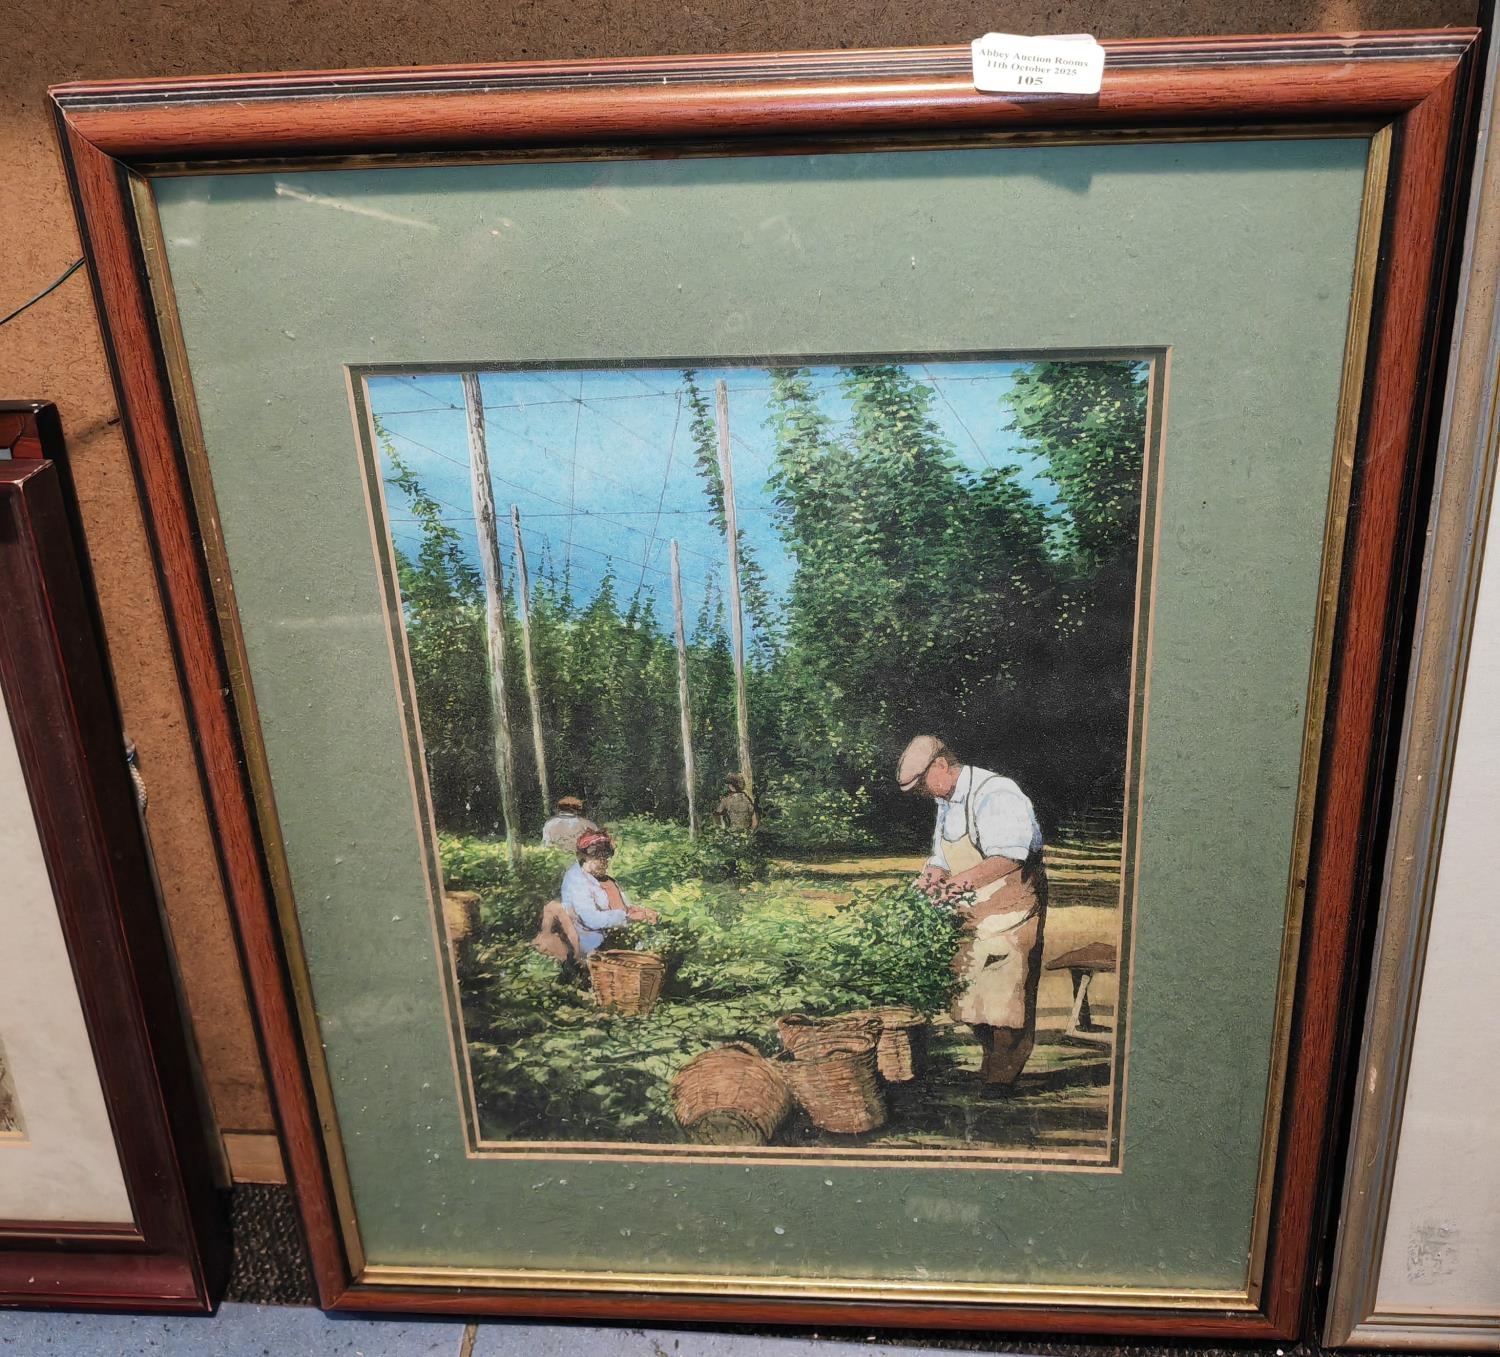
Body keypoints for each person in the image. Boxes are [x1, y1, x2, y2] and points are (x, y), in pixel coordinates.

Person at [897, 734, 1047, 1087]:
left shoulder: (996, 793)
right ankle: (992, 1065)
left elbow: (1007, 858)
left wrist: (952, 888)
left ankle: (1002, 1077)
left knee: (1005, 999)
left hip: (1011, 908)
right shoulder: (946, 800)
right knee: (967, 995)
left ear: (941, 765)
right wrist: (928, 881)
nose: (923, 792)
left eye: (922, 784)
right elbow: (941, 857)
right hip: (971, 909)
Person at [531, 829, 657, 964]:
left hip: (609, 936)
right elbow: (591, 919)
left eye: (606, 857)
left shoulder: (603, 879)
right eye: (599, 858)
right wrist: (628, 917)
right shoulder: (577, 879)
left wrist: (641, 912)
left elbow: (621, 908)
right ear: (585, 857)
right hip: (588, 944)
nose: (605, 862)